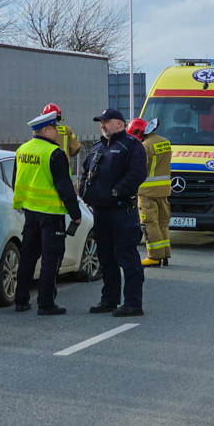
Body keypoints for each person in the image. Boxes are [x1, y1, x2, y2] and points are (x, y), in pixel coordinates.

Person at [12, 108, 82, 315]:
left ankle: (21, 300)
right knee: (51, 258)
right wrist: (76, 214)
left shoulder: (22, 150)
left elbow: (17, 179)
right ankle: (45, 303)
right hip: (51, 213)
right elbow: (64, 187)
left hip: (29, 212)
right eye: (54, 128)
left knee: (28, 256)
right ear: (44, 131)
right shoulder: (54, 153)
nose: (57, 132)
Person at [80, 109, 148, 317]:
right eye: (101, 122)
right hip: (100, 211)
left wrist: (116, 191)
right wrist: (84, 191)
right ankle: (109, 299)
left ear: (119, 123)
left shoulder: (131, 145)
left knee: (127, 257)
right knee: (106, 257)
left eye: (107, 121)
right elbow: (85, 172)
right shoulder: (98, 147)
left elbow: (137, 173)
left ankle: (133, 303)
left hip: (121, 210)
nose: (102, 125)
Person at [127, 117, 172, 267]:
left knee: (149, 223)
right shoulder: (165, 142)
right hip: (164, 191)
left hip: (147, 192)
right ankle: (164, 255)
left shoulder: (145, 146)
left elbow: (139, 169)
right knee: (163, 223)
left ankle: (154, 256)